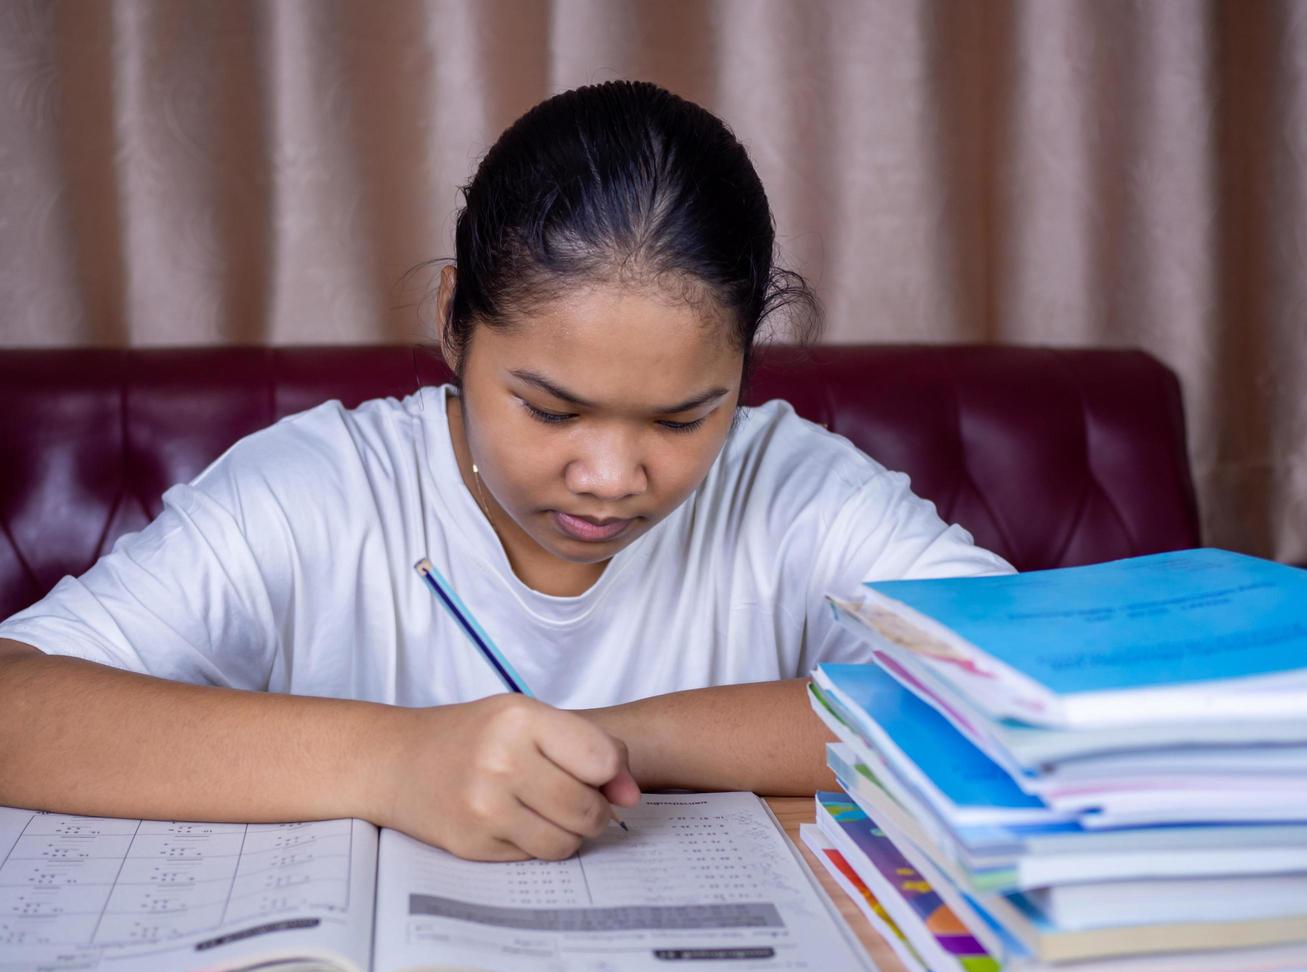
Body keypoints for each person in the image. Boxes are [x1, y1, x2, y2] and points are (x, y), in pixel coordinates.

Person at [0, 80, 1011, 862]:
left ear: (742, 369)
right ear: (452, 322)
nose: (611, 475)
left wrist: (601, 741)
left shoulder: (794, 485)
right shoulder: (314, 493)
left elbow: (1016, 699)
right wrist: (395, 760)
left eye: (683, 416)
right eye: (550, 408)